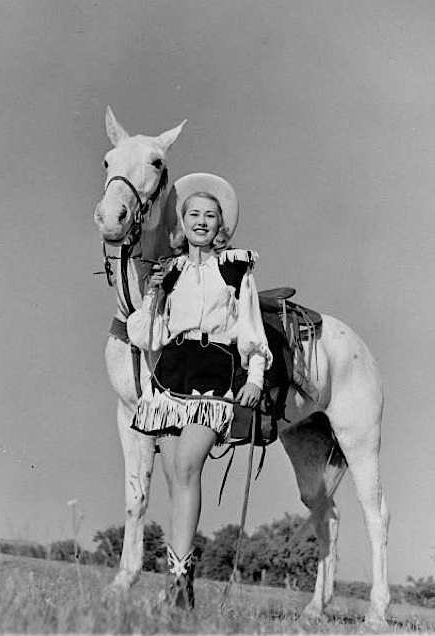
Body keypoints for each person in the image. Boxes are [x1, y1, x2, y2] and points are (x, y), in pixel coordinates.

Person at [126, 173, 272, 609]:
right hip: (171, 372)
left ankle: (176, 587)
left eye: (210, 215)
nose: (202, 222)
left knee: (188, 466)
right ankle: (181, 590)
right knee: (175, 479)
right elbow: (149, 337)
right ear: (182, 222)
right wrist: (152, 299)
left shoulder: (236, 267)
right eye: (194, 214)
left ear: (221, 224)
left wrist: (255, 377)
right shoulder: (167, 272)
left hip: (215, 372)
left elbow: (250, 325)